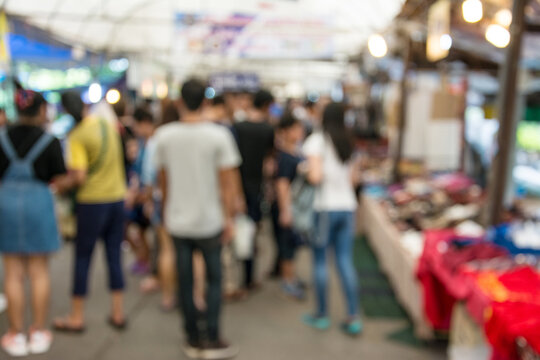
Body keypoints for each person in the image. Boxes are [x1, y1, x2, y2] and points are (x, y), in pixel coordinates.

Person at [154, 79, 241, 359]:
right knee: (215, 278)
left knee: (185, 278)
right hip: (209, 220)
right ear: (205, 102)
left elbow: (163, 180)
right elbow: (227, 183)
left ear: (180, 101)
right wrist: (229, 218)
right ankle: (212, 336)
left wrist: (166, 211)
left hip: (178, 219)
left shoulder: (165, 136)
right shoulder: (218, 136)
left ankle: (192, 337)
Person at [54, 91, 128, 333]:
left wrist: (59, 185)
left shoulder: (77, 136)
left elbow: (79, 176)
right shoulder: (108, 124)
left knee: (83, 258)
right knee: (114, 256)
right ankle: (118, 312)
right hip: (117, 199)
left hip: (92, 202)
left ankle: (76, 316)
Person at [0, 87, 66, 356]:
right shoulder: (50, 141)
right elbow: (59, 178)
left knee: (13, 272)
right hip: (39, 204)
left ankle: (15, 333)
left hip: (5, 205)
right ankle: (38, 330)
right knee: (39, 271)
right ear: (41, 110)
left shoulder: (2, 138)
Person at [302, 102, 362, 336]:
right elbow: (354, 181)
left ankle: (322, 314)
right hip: (347, 207)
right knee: (345, 261)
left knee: (320, 262)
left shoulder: (317, 141)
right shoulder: (349, 142)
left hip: (324, 208)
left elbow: (315, 177)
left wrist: (306, 171)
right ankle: (353, 316)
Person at [232, 89, 275, 292]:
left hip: (235, 187)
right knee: (251, 232)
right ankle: (248, 278)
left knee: (237, 231)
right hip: (255, 187)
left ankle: (238, 277)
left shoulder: (237, 127)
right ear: (266, 105)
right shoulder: (268, 129)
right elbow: (269, 164)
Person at [140, 100, 179, 310]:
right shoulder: (184, 138)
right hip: (183, 199)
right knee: (183, 250)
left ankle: (167, 296)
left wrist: (148, 200)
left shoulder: (157, 140)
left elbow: (149, 175)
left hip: (161, 199)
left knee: (166, 249)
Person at [274, 114, 306, 301]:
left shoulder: (293, 151)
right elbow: (282, 184)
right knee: (286, 244)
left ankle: (291, 276)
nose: (299, 132)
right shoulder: (285, 156)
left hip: (293, 205)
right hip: (286, 206)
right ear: (285, 132)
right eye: (295, 129)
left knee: (291, 244)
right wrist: (285, 210)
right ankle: (288, 280)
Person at [126, 107, 154, 276]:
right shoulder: (142, 143)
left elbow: (151, 174)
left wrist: (145, 196)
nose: (134, 129)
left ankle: (148, 262)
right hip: (143, 195)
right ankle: (144, 260)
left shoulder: (154, 143)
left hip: (149, 196)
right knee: (139, 231)